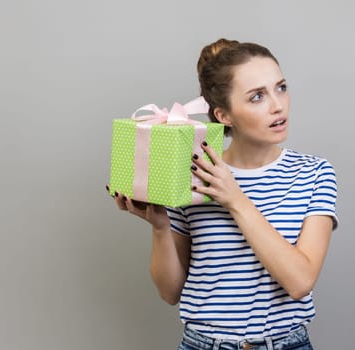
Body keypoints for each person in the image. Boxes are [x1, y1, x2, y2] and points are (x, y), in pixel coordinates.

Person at [108, 38, 338, 350]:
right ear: (225, 116)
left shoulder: (314, 174)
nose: (278, 105)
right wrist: (161, 226)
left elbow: (299, 282)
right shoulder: (194, 173)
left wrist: (235, 198)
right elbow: (169, 292)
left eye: (281, 87)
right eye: (257, 96)